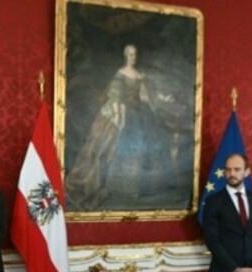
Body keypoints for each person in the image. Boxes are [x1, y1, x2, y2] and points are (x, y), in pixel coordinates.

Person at [64, 44, 174, 210]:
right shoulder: (121, 74)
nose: (133, 57)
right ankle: (122, 187)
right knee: (120, 143)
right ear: (125, 56)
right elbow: (115, 94)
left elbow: (145, 95)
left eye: (135, 54)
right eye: (130, 54)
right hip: (125, 111)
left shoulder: (140, 75)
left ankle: (142, 187)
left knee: (148, 144)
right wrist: (116, 112)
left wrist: (162, 99)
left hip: (142, 113)